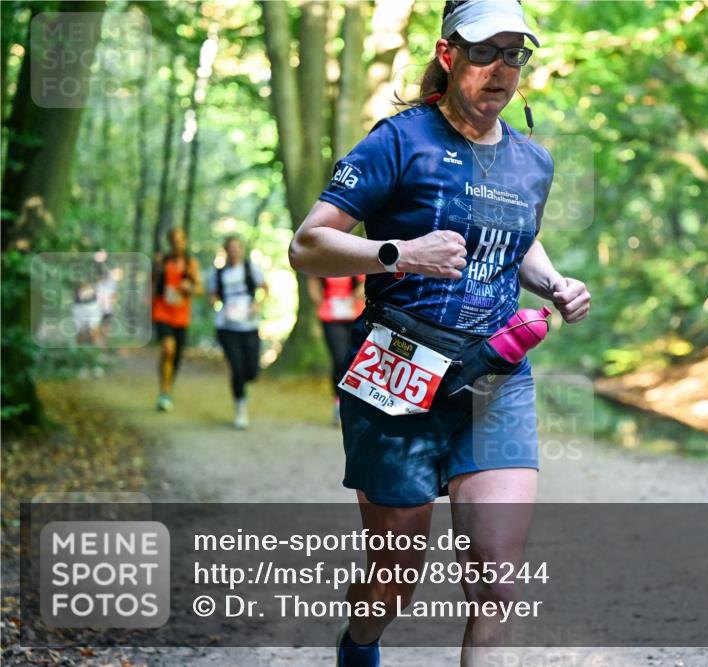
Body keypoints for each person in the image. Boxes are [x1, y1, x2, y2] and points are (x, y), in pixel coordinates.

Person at [288, 1, 590, 665]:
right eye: (486, 51)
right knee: (395, 575)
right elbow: (307, 245)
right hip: (398, 368)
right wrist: (400, 253)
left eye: (515, 53)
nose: (502, 69)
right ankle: (358, 643)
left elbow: (521, 240)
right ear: (449, 55)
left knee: (497, 579)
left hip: (492, 374)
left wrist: (555, 282)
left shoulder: (532, 161)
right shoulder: (400, 140)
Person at [209, 235, 268, 429]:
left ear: (241, 249)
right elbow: (211, 296)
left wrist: (257, 305)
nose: (234, 251)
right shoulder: (217, 274)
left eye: (237, 247)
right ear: (226, 250)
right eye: (230, 248)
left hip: (249, 326)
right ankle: (240, 408)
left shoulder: (251, 269)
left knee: (251, 370)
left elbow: (265, 289)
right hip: (227, 327)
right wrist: (218, 306)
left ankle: (244, 385)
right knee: (237, 367)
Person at [151, 227, 203, 412]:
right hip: (161, 313)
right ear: (170, 242)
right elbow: (152, 284)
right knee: (168, 350)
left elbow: (199, 289)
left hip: (181, 317)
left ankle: (167, 387)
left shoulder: (191, 264)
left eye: (181, 239)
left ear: (185, 241)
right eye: (174, 239)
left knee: (176, 357)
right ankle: (164, 392)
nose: (177, 243)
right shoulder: (161, 261)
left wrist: (189, 288)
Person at [309, 275, 365, 426]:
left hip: (354, 314)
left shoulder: (355, 261)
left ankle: (355, 406)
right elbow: (313, 285)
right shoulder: (325, 262)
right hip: (331, 317)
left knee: (355, 361)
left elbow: (364, 283)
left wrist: (355, 296)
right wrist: (321, 301)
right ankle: (338, 403)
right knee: (340, 359)